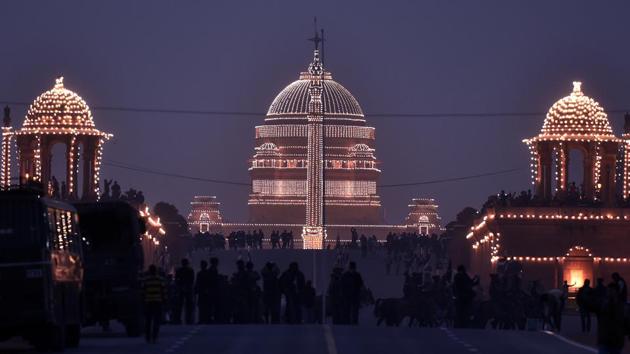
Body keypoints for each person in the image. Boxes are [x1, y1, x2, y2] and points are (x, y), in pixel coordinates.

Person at [596, 283, 627, 354]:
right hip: (604, 340)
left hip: (616, 340)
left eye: (611, 291)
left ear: (616, 292)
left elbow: (626, 322)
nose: (609, 293)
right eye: (608, 291)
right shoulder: (602, 304)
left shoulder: (622, 306)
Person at [142, 265, 166, 343]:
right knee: (156, 320)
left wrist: (143, 301)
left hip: (148, 302)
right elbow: (163, 291)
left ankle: (148, 337)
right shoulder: (160, 280)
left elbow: (143, 292)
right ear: (156, 271)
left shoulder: (146, 280)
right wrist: (164, 301)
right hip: (157, 302)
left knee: (148, 320)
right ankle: (154, 337)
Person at [174, 258, 195, 324]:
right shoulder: (190, 270)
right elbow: (192, 280)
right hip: (188, 288)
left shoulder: (179, 270)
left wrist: (180, 286)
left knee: (179, 305)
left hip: (181, 288)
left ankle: (178, 319)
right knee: (188, 306)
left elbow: (176, 280)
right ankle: (188, 319)